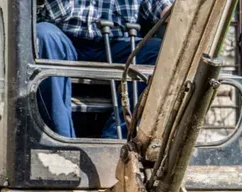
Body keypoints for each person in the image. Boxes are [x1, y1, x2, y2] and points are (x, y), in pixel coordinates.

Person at [36, 0, 173, 138]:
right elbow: (44, 10)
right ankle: (60, 140)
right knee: (43, 34)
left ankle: (117, 140)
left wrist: (173, 11)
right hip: (64, 38)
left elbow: (159, 5)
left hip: (120, 44)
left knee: (158, 50)